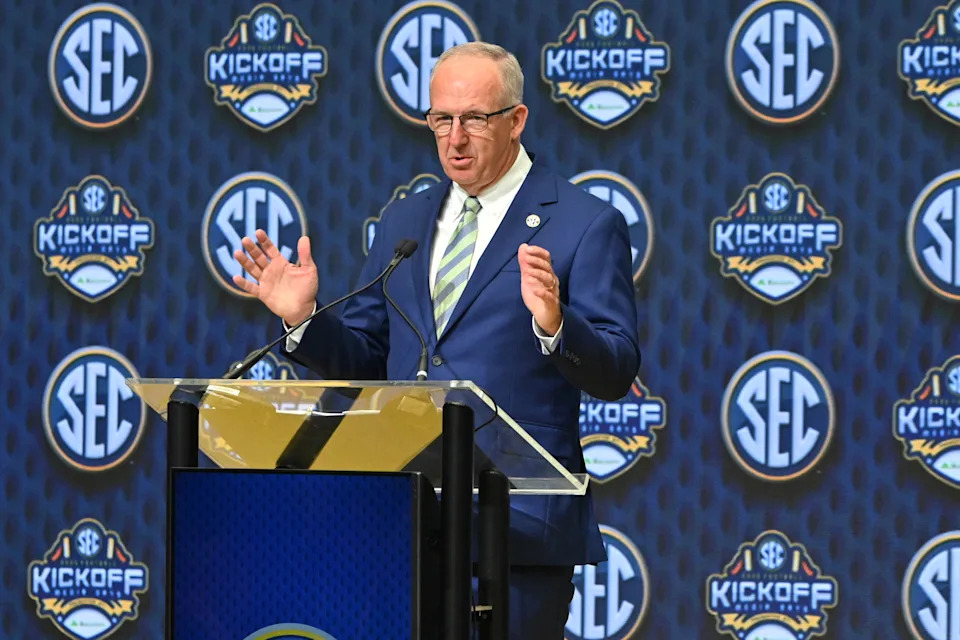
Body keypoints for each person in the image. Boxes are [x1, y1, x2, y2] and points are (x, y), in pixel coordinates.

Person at [232, 42, 640, 639]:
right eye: (441, 119)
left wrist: (556, 325)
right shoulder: (406, 221)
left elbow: (615, 366)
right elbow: (370, 359)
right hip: (404, 524)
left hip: (518, 531)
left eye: (474, 118)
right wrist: (306, 320)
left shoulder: (583, 222)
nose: (455, 138)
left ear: (516, 120)